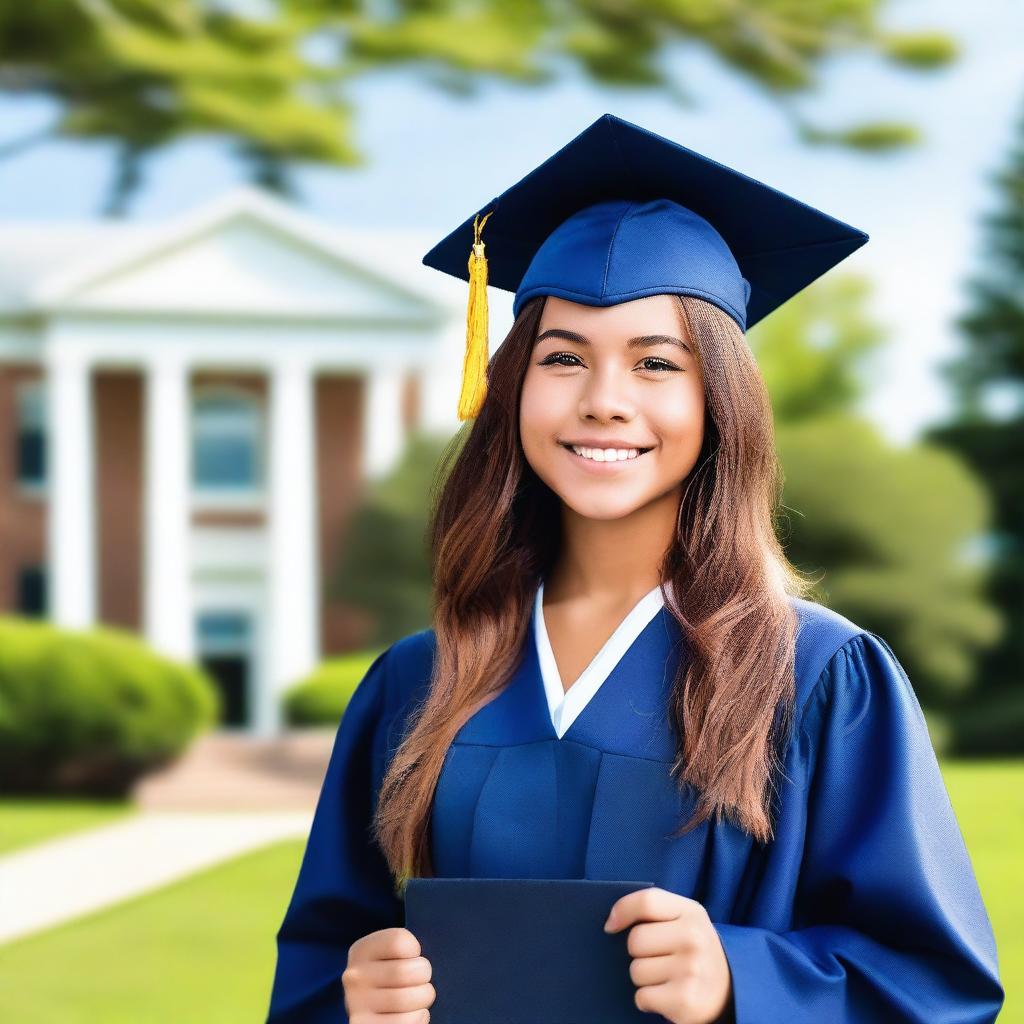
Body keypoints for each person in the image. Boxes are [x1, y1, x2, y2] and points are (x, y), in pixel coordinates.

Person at [265, 113, 1005, 1024]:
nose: (603, 401)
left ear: (719, 401)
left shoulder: (817, 678)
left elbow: (937, 987)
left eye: (657, 363)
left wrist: (743, 977)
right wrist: (354, 1003)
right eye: (562, 357)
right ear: (511, 390)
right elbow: (319, 965)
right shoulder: (417, 680)